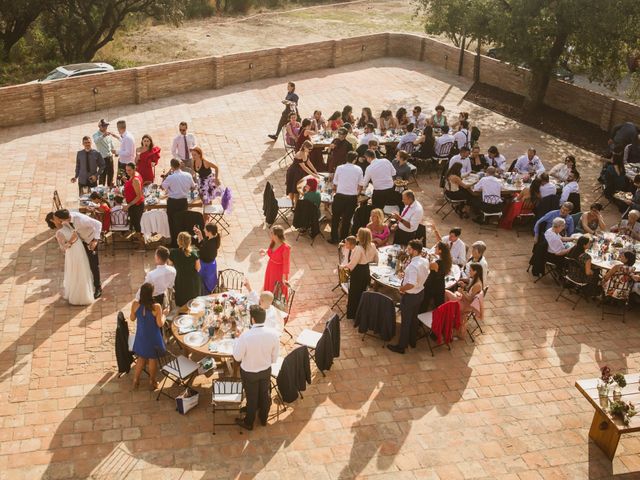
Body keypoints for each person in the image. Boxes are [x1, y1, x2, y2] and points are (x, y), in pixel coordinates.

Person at [233, 305, 280, 431]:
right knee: (264, 394)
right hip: (265, 371)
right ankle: (263, 419)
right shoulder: (274, 334)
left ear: (252, 319)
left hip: (249, 373)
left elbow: (237, 357)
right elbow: (274, 358)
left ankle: (249, 422)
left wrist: (237, 340)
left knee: (251, 397)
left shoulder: (245, 336)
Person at [47, 209, 102, 299]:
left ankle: (98, 287)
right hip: (80, 242)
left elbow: (98, 224)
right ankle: (86, 285)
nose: (58, 220)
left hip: (90, 240)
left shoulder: (81, 219)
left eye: (58, 219)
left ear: (63, 219)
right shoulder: (66, 220)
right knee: (83, 264)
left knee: (94, 265)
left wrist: (95, 240)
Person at [387, 239, 430, 354]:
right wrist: (406, 276)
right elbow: (423, 275)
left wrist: (401, 288)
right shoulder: (424, 261)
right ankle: (412, 341)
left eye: (409, 249)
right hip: (420, 293)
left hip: (411, 296)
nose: (407, 250)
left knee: (405, 322)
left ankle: (401, 346)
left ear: (415, 251)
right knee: (414, 319)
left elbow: (411, 284)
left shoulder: (413, 266)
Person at [130, 282, 165, 390]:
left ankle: (136, 380)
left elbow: (132, 318)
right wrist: (164, 315)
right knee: (152, 358)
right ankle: (152, 381)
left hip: (141, 336)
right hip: (153, 337)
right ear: (151, 294)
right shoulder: (157, 307)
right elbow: (160, 324)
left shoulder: (135, 304)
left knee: (141, 357)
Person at [342, 227, 378, 319]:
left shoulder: (358, 248)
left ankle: (353, 314)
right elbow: (376, 260)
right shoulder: (373, 245)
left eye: (358, 234)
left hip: (358, 272)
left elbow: (352, 264)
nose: (356, 235)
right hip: (366, 270)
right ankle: (361, 312)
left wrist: (343, 267)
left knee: (354, 293)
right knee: (362, 292)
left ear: (361, 237)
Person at [162, 158, 196, 247]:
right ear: (180, 165)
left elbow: (163, 186)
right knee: (182, 222)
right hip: (183, 202)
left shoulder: (170, 177)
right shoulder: (188, 175)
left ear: (172, 167)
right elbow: (193, 186)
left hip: (173, 203)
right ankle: (183, 243)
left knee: (172, 223)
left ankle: (174, 243)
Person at [330, 151, 363, 244]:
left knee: (335, 218)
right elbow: (361, 185)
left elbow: (335, 183)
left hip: (340, 196)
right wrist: (357, 193)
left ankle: (334, 238)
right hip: (351, 197)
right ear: (355, 159)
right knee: (347, 219)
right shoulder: (358, 169)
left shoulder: (340, 168)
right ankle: (343, 238)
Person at [444, 263, 484, 334]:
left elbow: (470, 300)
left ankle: (448, 317)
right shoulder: (475, 279)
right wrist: (464, 286)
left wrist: (462, 292)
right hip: (464, 300)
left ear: (475, 272)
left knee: (446, 293)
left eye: (470, 270)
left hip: (466, 305)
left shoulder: (477, 285)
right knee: (448, 293)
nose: (469, 272)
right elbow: (470, 292)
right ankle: (449, 316)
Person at [169, 232, 201, 307]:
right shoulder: (194, 253)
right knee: (193, 305)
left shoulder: (173, 253)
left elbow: (170, 265)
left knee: (181, 305)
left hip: (180, 280)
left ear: (178, 241)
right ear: (189, 241)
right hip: (192, 282)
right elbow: (198, 269)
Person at [420, 241, 452, 312]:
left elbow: (427, 266)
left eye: (436, 247)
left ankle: (419, 320)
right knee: (439, 305)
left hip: (431, 286)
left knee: (424, 304)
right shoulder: (447, 261)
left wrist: (428, 258)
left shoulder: (436, 263)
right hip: (440, 285)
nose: (435, 247)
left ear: (440, 251)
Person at [261, 226, 291, 297]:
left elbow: (286, 264)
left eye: (272, 233)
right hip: (270, 267)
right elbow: (272, 251)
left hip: (278, 272)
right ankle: (267, 299)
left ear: (276, 235)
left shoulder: (285, 248)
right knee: (269, 284)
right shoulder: (273, 242)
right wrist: (265, 251)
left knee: (276, 288)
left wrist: (283, 279)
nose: (270, 234)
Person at [194, 223, 220, 294]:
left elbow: (201, 250)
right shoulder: (212, 238)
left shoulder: (210, 245)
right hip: (210, 264)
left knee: (204, 285)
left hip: (206, 267)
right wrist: (199, 234)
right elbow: (203, 243)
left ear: (209, 232)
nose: (203, 230)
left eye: (205, 230)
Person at [123, 163, 145, 237]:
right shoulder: (133, 175)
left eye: (129, 170)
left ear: (134, 169)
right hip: (133, 204)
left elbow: (139, 196)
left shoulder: (135, 179)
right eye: (126, 170)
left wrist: (129, 205)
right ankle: (135, 237)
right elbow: (132, 187)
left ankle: (140, 242)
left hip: (136, 205)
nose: (127, 172)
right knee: (134, 221)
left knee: (137, 224)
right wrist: (126, 181)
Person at [93, 119, 117, 186]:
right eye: (103, 126)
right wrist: (103, 135)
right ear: (99, 126)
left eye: (106, 125)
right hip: (102, 159)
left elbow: (110, 143)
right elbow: (96, 141)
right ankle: (102, 192)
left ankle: (110, 189)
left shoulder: (108, 133)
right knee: (102, 177)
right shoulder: (96, 135)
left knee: (111, 174)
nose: (105, 127)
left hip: (110, 157)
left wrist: (114, 150)